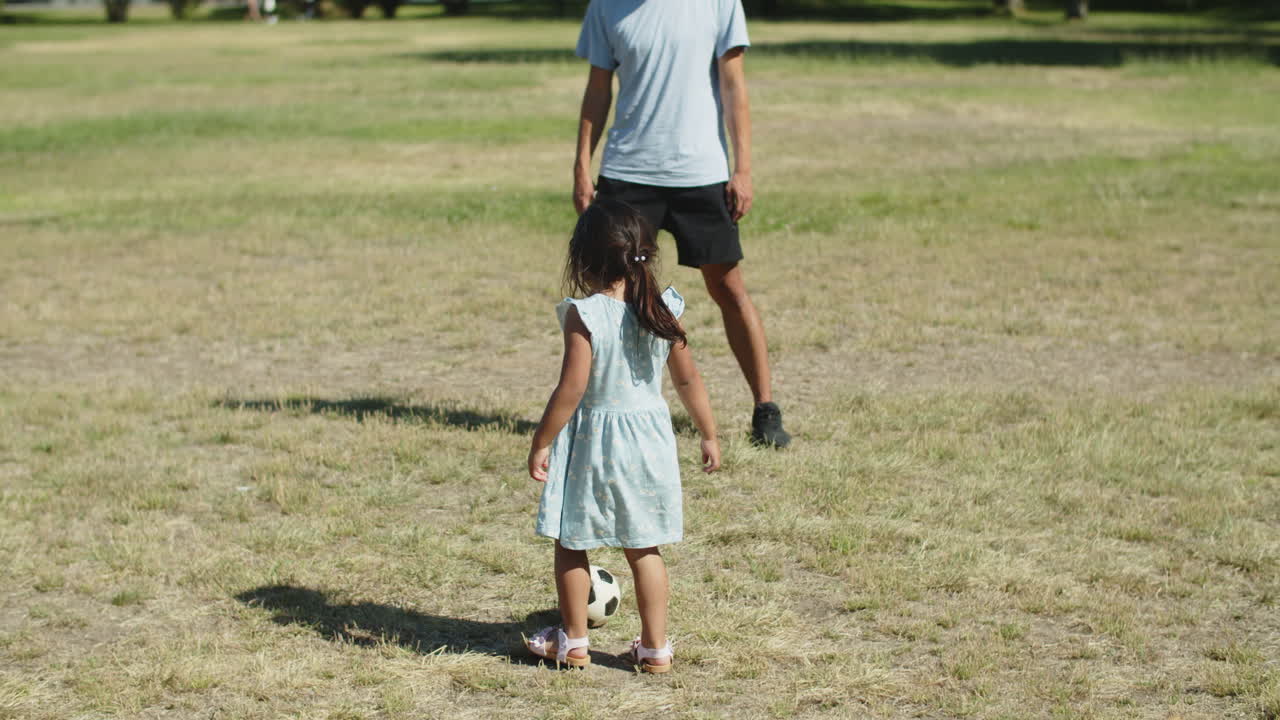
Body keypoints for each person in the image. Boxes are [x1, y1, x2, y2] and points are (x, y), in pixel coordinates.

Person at [572, 0, 791, 448]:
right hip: (628, 172)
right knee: (611, 296)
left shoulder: (718, 3)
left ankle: (765, 408)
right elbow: (598, 91)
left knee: (728, 289)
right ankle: (600, 410)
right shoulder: (606, 7)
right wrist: (581, 165)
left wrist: (743, 168)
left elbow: (734, 87)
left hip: (701, 173)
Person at [525, 199, 721, 672]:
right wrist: (709, 433)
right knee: (643, 545)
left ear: (584, 259)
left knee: (573, 542)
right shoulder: (663, 308)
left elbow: (572, 388)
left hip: (594, 443)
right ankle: (655, 649)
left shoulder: (586, 313)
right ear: (645, 255)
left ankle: (573, 643)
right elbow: (688, 380)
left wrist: (542, 440)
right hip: (648, 442)